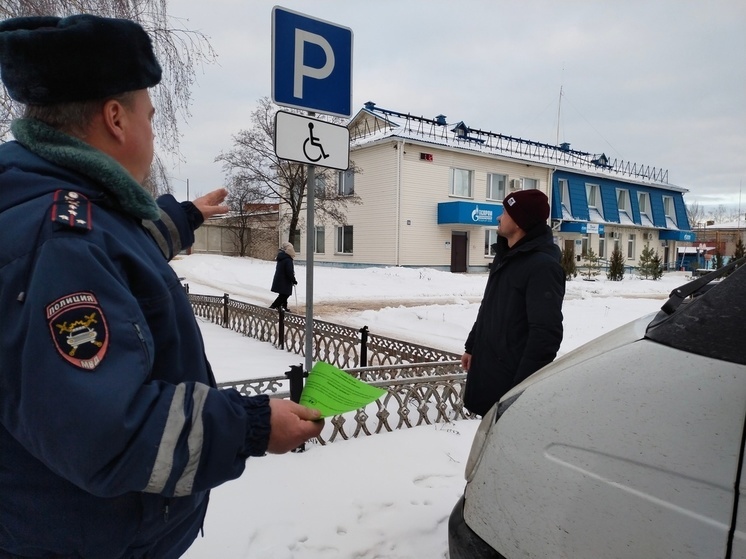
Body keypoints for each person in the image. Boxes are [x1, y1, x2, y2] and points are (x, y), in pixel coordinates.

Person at [0, 14, 323, 559]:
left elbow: (120, 249)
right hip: (86, 540)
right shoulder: (60, 241)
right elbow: (107, 430)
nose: (152, 129)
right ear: (116, 119)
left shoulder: (46, 199)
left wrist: (183, 217)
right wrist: (252, 426)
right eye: (149, 114)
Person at [461, 189, 565, 416]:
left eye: (505, 212)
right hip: (489, 367)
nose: (499, 217)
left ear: (520, 221)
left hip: (509, 380)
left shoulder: (542, 267)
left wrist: (519, 390)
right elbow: (489, 306)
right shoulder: (506, 256)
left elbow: (545, 335)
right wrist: (472, 346)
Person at [269, 241, 298, 312]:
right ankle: (273, 306)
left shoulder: (282, 258)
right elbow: (289, 271)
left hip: (280, 279)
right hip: (284, 280)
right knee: (284, 294)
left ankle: (283, 306)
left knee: (283, 294)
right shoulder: (288, 260)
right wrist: (293, 279)